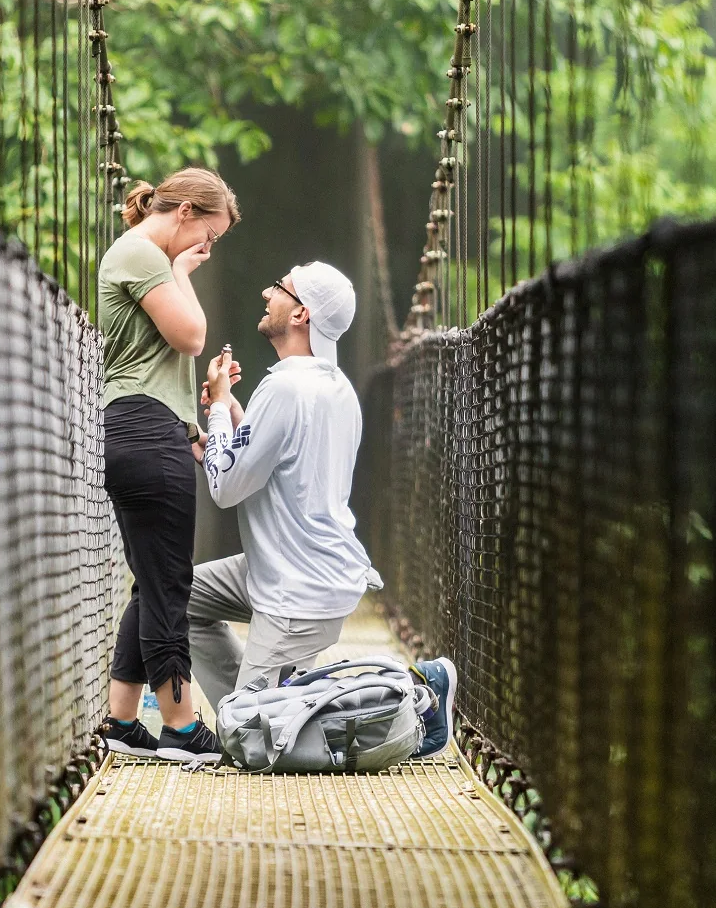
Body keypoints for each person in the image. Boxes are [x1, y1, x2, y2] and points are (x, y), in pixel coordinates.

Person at [190, 261, 458, 756]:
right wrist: (227, 424)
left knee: (251, 742)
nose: (267, 292)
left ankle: (417, 700)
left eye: (280, 288)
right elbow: (274, 459)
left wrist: (220, 407)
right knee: (181, 597)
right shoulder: (336, 388)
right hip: (294, 571)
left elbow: (226, 488)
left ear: (301, 314)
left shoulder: (285, 388)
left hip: (297, 593)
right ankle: (261, 706)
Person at [97, 168, 238, 765]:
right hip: (144, 433)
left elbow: (159, 364)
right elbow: (191, 335)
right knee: (170, 582)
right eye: (210, 235)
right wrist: (182, 272)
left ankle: (122, 720)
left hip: (150, 429)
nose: (208, 249)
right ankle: (180, 726)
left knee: (152, 580)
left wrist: (190, 426)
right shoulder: (143, 256)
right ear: (184, 213)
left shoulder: (146, 257)